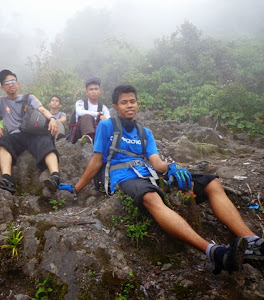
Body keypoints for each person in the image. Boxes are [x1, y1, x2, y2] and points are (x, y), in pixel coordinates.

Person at [59, 84, 263, 274]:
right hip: (121, 177)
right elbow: (96, 161)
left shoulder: (145, 133)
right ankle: (214, 252)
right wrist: (77, 188)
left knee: (211, 182)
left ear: (137, 103)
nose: (129, 105)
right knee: (151, 197)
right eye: (124, 102)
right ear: (115, 107)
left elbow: (156, 162)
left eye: (132, 101)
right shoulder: (106, 126)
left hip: (149, 173)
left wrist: (172, 166)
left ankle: (251, 240)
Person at [0, 69, 60, 194]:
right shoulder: (1, 101)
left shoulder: (29, 98)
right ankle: (6, 179)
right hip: (15, 136)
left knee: (46, 142)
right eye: (7, 83)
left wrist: (52, 118)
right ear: (3, 87)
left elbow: (42, 110)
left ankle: (55, 177)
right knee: (3, 143)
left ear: (18, 83)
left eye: (13, 81)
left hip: (32, 132)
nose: (10, 84)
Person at [70, 77, 110, 143]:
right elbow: (80, 112)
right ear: (87, 92)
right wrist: (98, 114)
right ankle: (89, 139)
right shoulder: (81, 102)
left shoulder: (103, 107)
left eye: (96, 89)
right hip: (78, 134)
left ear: (100, 91)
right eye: (91, 89)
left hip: (97, 134)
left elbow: (108, 120)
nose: (94, 91)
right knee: (87, 116)